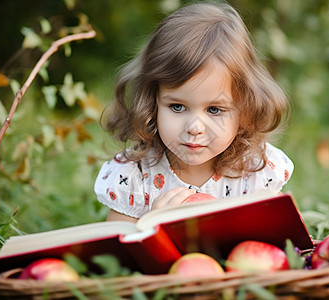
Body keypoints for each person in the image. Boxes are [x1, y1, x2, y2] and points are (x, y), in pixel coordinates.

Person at [95, 2, 294, 223]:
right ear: (152, 103)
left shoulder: (256, 172)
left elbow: (278, 243)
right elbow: (118, 253)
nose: (194, 128)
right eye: (177, 107)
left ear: (245, 109)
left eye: (215, 109)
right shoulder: (135, 177)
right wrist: (150, 224)